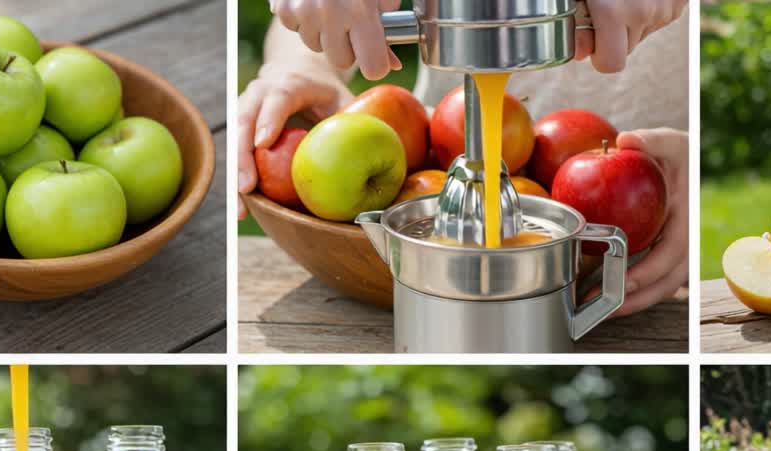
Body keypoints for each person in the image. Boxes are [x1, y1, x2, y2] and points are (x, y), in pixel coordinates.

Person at [239, 0, 689, 316]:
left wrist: (694, 153)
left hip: (660, 222)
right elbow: (321, 15)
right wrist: (303, 62)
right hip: (431, 156)